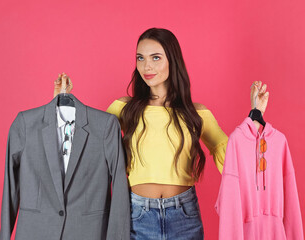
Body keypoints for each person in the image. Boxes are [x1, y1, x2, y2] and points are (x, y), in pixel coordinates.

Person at [53, 28, 269, 240]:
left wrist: (255, 115)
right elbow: (86, 143)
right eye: (140, 58)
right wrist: (63, 104)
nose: (146, 66)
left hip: (184, 216)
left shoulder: (196, 113)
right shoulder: (124, 108)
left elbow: (232, 156)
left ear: (172, 61)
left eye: (155, 57)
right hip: (136, 215)